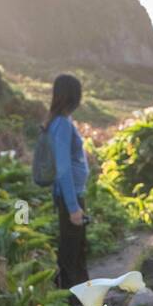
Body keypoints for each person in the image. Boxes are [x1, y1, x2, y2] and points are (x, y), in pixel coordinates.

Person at [46, 72, 90, 288]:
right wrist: (73, 208)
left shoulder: (59, 121)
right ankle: (77, 298)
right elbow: (63, 169)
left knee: (74, 246)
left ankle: (77, 295)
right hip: (70, 196)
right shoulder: (62, 124)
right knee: (73, 249)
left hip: (70, 194)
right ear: (73, 96)